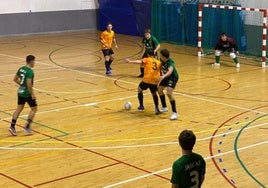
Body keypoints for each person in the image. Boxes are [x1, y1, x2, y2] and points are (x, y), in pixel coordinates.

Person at [125, 49, 161, 114]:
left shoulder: (147, 59)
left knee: (139, 89)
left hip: (147, 80)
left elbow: (139, 62)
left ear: (147, 54)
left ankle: (141, 106)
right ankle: (156, 108)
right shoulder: (158, 62)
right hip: (155, 80)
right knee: (154, 93)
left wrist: (130, 61)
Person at [9, 55, 37, 136]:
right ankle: (27, 127)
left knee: (18, 109)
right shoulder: (30, 71)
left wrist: (21, 85)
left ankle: (12, 127)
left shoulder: (21, 69)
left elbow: (15, 79)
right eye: (34, 61)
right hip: (27, 93)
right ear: (31, 61)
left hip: (20, 92)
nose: (34, 63)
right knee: (34, 109)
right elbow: (28, 83)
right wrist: (32, 94)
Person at [158, 49, 179, 120]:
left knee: (169, 93)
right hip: (166, 77)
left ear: (164, 57)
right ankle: (164, 107)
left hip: (172, 77)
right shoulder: (161, 60)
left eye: (161, 55)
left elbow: (170, 71)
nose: (160, 56)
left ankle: (175, 112)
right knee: (159, 90)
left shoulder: (170, 62)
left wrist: (163, 76)